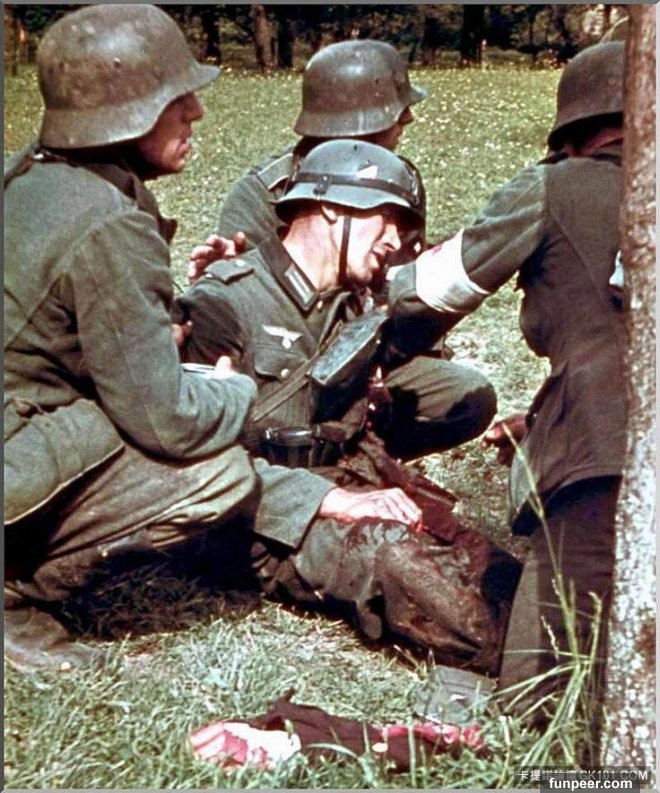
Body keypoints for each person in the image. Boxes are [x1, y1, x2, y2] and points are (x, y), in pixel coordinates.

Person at [4, 5, 508, 675]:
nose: (197, 112)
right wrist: (235, 395)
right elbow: (168, 423)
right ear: (129, 112)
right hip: (31, 450)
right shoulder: (119, 228)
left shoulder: (38, 179)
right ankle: (14, 591)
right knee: (218, 472)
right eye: (178, 100)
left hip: (35, 438)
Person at [387, 41, 626, 719]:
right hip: (610, 439)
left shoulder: (556, 186)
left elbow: (424, 295)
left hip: (609, 459)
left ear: (575, 135)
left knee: (539, 704)